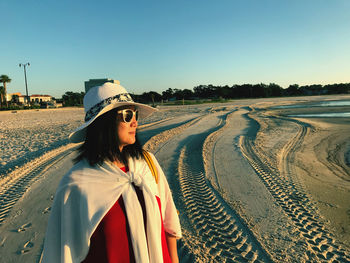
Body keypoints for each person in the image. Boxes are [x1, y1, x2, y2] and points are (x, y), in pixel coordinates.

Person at [42, 82, 182, 263]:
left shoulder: (147, 164)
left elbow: (169, 223)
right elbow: (62, 253)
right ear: (104, 122)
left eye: (135, 114)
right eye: (127, 115)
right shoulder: (76, 183)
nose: (135, 122)